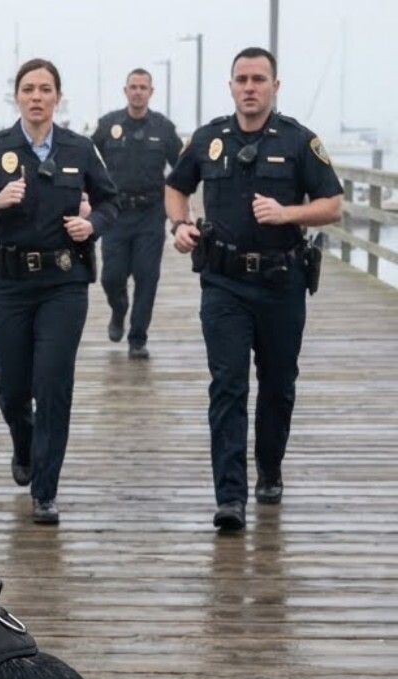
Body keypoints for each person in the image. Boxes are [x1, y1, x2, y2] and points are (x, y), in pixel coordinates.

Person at [165, 46, 342, 531]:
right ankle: (230, 498)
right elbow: (176, 185)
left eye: (259, 79)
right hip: (223, 284)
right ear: (231, 86)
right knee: (227, 386)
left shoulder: (300, 141)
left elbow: (333, 204)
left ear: (275, 86)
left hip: (281, 283)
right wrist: (178, 224)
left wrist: (288, 214)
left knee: (279, 386)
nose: (250, 87)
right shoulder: (208, 139)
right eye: (241, 78)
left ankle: (269, 468)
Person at [0, 58, 118, 526]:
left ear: (57, 98)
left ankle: (45, 490)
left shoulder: (81, 149)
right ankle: (23, 444)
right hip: (8, 286)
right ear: (17, 97)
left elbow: (111, 202)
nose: (37, 97)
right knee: (11, 387)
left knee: (53, 384)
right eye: (29, 89)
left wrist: (93, 224)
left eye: (46, 89)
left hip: (63, 283)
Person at [92, 68, 183, 359]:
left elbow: (182, 171)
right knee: (111, 277)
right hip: (116, 213)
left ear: (151, 92)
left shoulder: (163, 129)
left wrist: (182, 212)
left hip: (150, 214)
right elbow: (88, 162)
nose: (138, 92)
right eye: (133, 86)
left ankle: (137, 338)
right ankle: (119, 310)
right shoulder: (108, 126)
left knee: (147, 276)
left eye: (143, 87)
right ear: (125, 90)